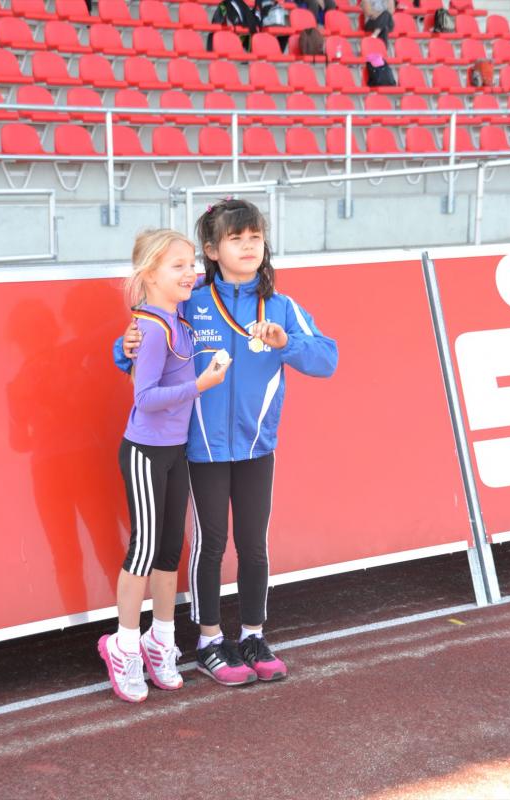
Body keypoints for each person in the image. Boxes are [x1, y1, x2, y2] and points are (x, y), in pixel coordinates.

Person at [118, 199, 338, 688]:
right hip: (202, 449)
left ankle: (254, 635)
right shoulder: (189, 300)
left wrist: (287, 344)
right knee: (211, 543)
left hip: (258, 446)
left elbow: (327, 360)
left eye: (255, 237)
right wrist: (123, 346)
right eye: (235, 239)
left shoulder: (281, 306)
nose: (248, 246)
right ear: (213, 250)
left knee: (254, 544)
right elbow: (142, 339)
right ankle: (210, 641)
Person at [99, 229, 230, 703]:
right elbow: (146, 398)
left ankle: (161, 640)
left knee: (169, 550)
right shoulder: (152, 328)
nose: (190, 273)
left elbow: (210, 280)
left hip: (176, 452)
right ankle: (123, 645)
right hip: (146, 451)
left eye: (191, 263)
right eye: (178, 266)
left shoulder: (177, 316)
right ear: (149, 274)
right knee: (144, 550)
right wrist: (201, 385)